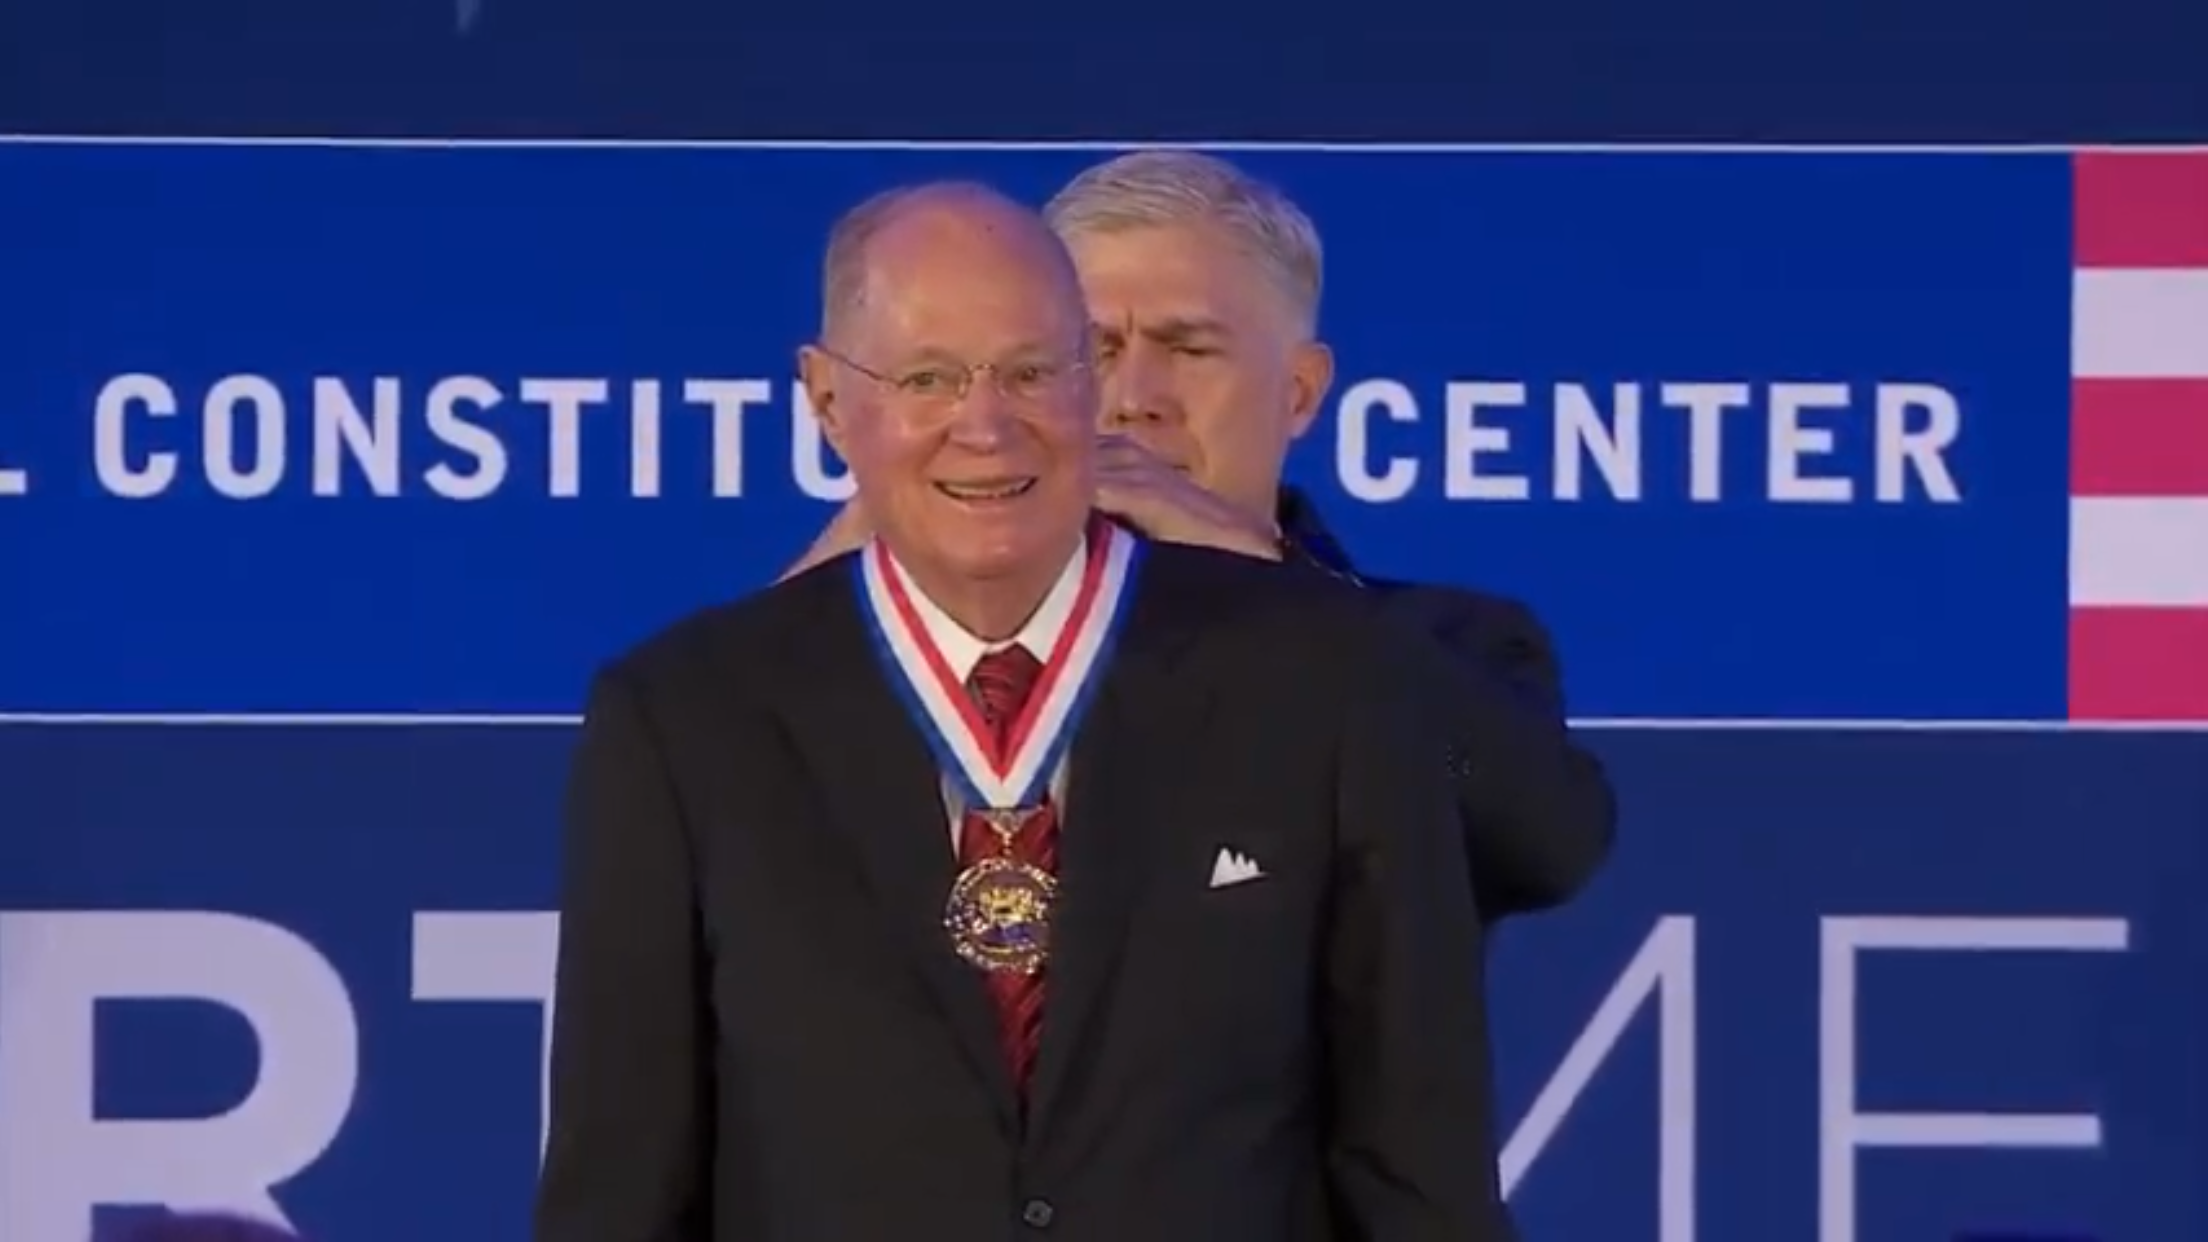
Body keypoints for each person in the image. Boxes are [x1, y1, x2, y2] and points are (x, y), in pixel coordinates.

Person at [537, 181, 1514, 1240]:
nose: (986, 425)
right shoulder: (688, 719)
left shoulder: (1322, 673)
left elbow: (1419, 1174)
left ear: (1091, 386)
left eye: (1032, 371)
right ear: (827, 402)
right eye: (928, 377)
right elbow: (619, 1195)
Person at [788, 149, 1615, 926]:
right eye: (1088, 351)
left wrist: (1268, 585)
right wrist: (873, 552)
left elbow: (1541, 844)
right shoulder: (914, 641)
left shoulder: (1441, 645)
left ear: (1299, 392)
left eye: (1188, 349)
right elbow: (707, 829)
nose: (1132, 397)